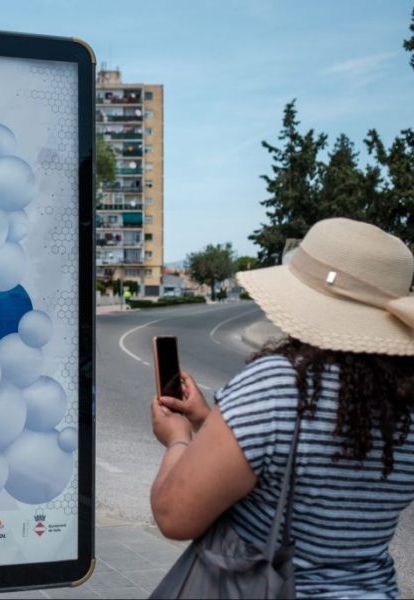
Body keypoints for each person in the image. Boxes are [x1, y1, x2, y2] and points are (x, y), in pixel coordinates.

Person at [150, 217, 414, 598]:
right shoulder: (404, 404)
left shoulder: (281, 385)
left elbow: (174, 515)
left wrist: (178, 438)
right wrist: (212, 421)